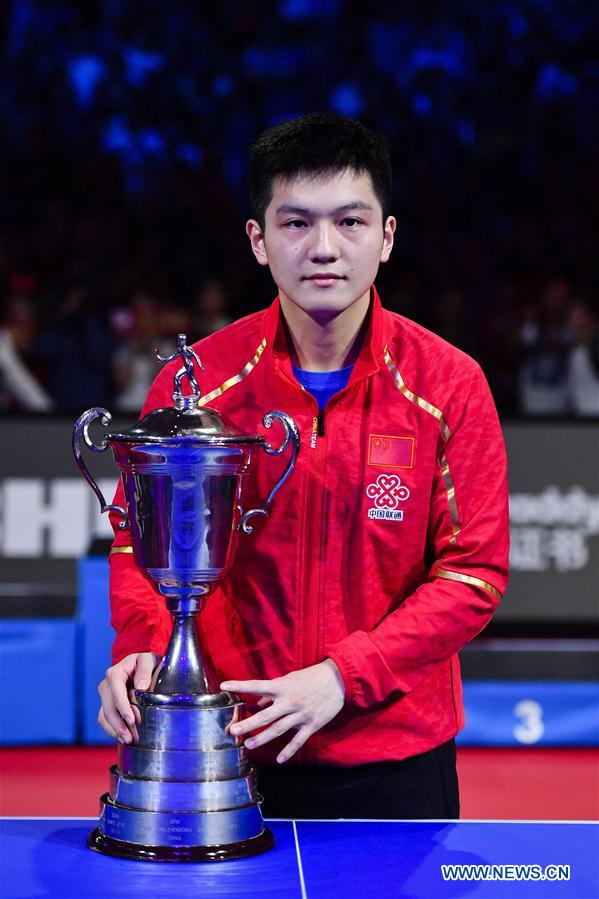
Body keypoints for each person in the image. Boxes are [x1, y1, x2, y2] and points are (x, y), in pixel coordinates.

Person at [99, 113, 509, 819]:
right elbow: (140, 544)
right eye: (295, 223)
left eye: (350, 222)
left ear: (386, 236)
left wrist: (343, 677)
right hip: (227, 745)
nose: (324, 248)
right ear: (258, 240)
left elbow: (473, 574)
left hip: (395, 760)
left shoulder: (448, 385)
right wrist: (143, 646)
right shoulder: (199, 387)